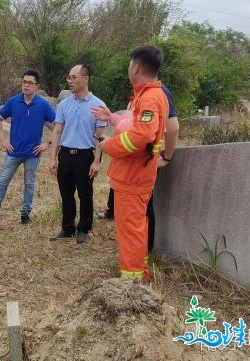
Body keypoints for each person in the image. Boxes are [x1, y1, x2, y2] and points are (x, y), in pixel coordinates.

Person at [92, 45, 169, 282]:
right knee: (135, 227)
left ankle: (133, 283)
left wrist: (109, 147)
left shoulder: (150, 97)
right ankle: (138, 274)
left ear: (135, 68)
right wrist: (113, 118)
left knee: (130, 230)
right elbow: (135, 126)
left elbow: (141, 136)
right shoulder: (148, 95)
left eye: (129, 65)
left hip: (133, 177)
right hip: (135, 176)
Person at [99, 84, 179, 253]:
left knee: (141, 213)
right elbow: (130, 124)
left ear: (137, 68)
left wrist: (167, 157)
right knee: (131, 216)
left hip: (140, 167)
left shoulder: (154, 94)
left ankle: (143, 253)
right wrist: (113, 117)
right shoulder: (142, 94)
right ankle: (134, 253)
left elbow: (172, 128)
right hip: (128, 166)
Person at [0, 69, 56, 224]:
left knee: (29, 184)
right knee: (3, 181)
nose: (26, 85)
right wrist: (3, 140)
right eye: (24, 82)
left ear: (37, 86)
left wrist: (47, 143)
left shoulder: (43, 105)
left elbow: (58, 126)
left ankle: (25, 213)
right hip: (13, 151)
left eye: (30, 82)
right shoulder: (13, 101)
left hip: (32, 154)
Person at [49, 64, 107, 244]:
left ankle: (84, 228)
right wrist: (53, 158)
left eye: (74, 77)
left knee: (85, 194)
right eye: (69, 78)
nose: (70, 81)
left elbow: (100, 136)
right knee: (66, 194)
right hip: (65, 155)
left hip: (85, 156)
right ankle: (67, 228)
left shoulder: (98, 105)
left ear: (86, 79)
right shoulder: (64, 104)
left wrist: (96, 161)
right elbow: (57, 131)